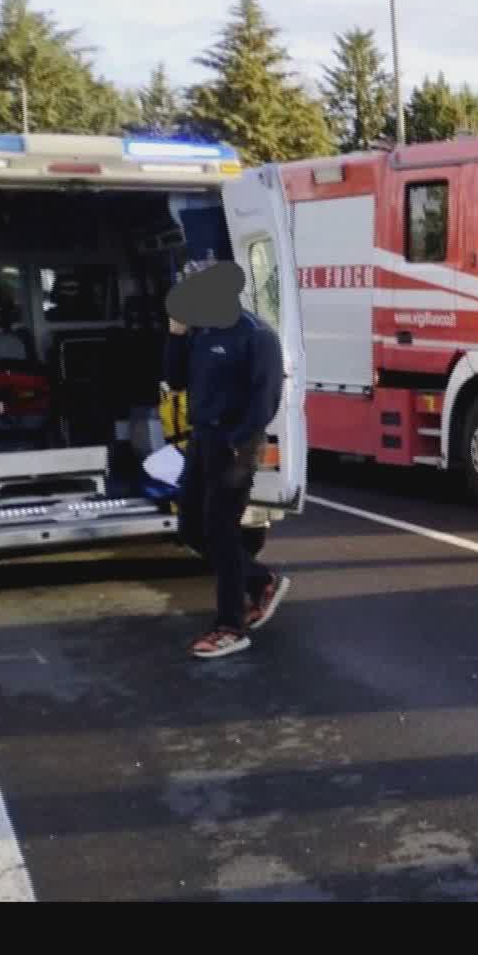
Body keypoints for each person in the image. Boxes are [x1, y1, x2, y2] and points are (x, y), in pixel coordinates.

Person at [164, 260, 290, 660]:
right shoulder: (201, 333)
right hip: (202, 439)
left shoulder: (256, 336)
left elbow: (265, 397)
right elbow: (175, 379)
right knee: (190, 529)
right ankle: (260, 579)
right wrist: (176, 337)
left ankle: (230, 626)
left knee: (220, 530)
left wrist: (238, 441)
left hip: (236, 444)